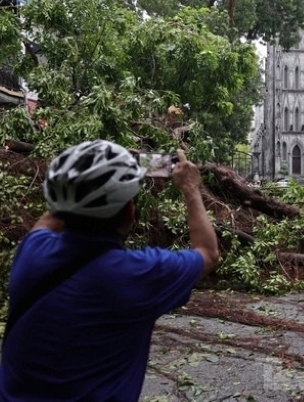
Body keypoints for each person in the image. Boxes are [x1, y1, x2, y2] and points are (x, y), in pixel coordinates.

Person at [0, 140, 220, 401]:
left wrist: (89, 172)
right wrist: (190, 188)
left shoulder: (32, 252)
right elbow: (208, 253)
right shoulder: (139, 273)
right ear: (130, 212)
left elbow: (59, 212)